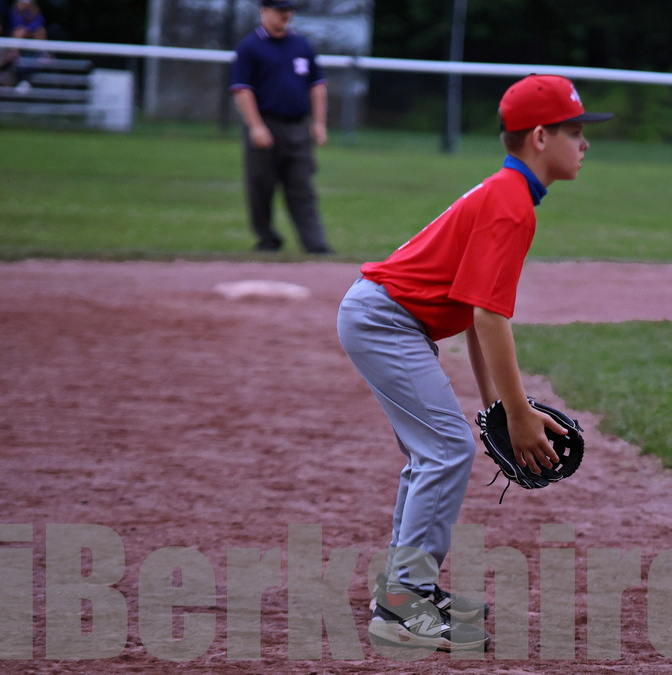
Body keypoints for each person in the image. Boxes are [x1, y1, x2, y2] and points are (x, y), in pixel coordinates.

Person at [336, 74, 611, 652]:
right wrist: (518, 414)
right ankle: (402, 606)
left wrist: (496, 404)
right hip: (386, 321)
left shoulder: (508, 193)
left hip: (386, 318)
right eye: (574, 131)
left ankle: (402, 587)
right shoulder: (511, 204)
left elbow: (473, 311)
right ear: (540, 137)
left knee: (433, 451)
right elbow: (489, 318)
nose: (584, 143)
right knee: (446, 450)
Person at [229, 0, 333, 254]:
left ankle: (315, 245)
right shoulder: (250, 47)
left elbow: (317, 85)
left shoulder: (301, 44)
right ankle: (267, 240)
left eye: (288, 11)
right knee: (261, 186)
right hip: (267, 123)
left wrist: (319, 122)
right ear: (263, 11)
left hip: (298, 126)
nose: (285, 15)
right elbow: (242, 90)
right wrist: (256, 126)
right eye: (280, 10)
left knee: (302, 187)